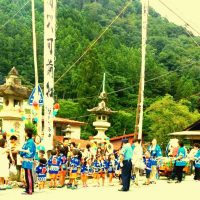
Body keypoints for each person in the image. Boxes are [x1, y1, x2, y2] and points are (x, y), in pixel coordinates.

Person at [19, 128, 36, 195]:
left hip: (28, 160)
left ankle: (30, 190)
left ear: (27, 133)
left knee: (28, 175)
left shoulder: (30, 142)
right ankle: (29, 188)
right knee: (27, 175)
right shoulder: (28, 141)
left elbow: (30, 152)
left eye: (25, 132)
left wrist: (22, 153)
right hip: (26, 160)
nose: (24, 133)